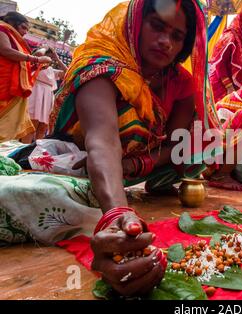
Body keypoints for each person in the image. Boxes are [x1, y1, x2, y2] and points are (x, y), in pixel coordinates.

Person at [2, 0, 212, 297]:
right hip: (81, 162)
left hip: (134, 167)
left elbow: (177, 144)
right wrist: (116, 215)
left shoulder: (181, 82)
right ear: (136, 24)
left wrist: (135, 166)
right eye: (157, 26)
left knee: (204, 149)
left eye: (177, 36)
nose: (165, 41)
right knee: (45, 199)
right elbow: (102, 141)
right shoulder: (102, 63)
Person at [0, 12, 52, 142]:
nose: (25, 32)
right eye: (23, 27)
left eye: (27, 29)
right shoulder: (2, 29)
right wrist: (36, 59)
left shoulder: (16, 39)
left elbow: (22, 65)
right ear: (12, 23)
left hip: (12, 86)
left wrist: (36, 64)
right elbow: (5, 50)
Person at [209, 2, 242, 102]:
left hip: (240, 92)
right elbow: (220, 64)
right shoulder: (231, 36)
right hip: (223, 89)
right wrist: (229, 87)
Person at [25, 47, 67, 141]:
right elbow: (38, 54)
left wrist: (58, 59)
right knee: (32, 126)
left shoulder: (52, 70)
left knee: (43, 127)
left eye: (50, 56)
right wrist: (46, 48)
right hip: (36, 93)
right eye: (48, 55)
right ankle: (23, 149)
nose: (49, 58)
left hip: (48, 96)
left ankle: (35, 151)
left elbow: (67, 72)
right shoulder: (34, 65)